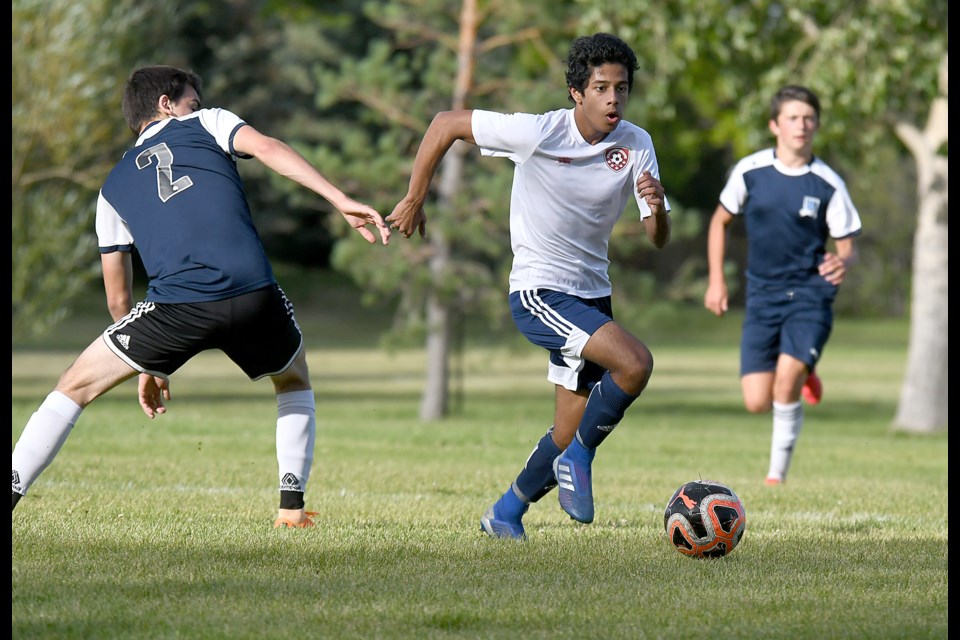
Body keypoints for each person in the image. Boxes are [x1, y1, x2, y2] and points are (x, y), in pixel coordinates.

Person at [11, 65, 391, 527]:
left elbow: (118, 297)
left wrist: (146, 363)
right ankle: (291, 510)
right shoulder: (210, 123)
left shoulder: (111, 190)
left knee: (73, 386)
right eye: (193, 99)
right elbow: (269, 148)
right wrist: (338, 198)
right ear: (166, 103)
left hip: (177, 307)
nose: (200, 105)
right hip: (253, 292)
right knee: (293, 380)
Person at [387, 33, 671, 539]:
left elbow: (657, 238)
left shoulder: (637, 143)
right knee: (635, 363)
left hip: (591, 294)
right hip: (540, 292)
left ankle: (506, 511)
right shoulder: (538, 133)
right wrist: (414, 198)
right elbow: (446, 124)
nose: (613, 99)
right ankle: (581, 458)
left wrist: (656, 204)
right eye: (601, 88)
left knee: (566, 430)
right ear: (576, 93)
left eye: (622, 89)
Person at [703, 85, 861, 485]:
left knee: (784, 382)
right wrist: (717, 281)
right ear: (775, 125)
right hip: (762, 296)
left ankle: (776, 475)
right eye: (793, 117)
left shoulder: (828, 183)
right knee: (757, 401)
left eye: (808, 118)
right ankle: (804, 371)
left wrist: (842, 263)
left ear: (817, 125)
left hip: (810, 294)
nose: (801, 125)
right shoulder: (750, 171)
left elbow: (847, 247)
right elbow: (719, 222)